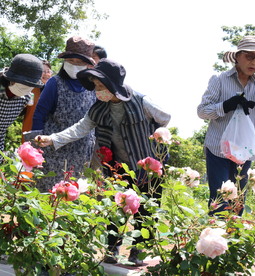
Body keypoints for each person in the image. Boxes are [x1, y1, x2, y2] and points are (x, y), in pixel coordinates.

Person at [36, 59, 171, 265]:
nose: (98, 91)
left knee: (146, 210)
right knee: (115, 207)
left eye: (101, 86)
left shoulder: (142, 101)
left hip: (148, 166)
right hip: (118, 166)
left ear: (113, 86)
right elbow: (79, 129)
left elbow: (165, 117)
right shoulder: (98, 109)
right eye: (96, 86)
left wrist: (156, 135)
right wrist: (53, 139)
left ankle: (138, 252)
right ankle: (112, 249)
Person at [197, 35, 255, 216]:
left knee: (238, 202)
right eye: (249, 56)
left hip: (245, 151)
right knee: (219, 199)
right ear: (237, 57)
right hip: (218, 148)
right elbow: (202, 111)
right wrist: (225, 106)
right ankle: (214, 241)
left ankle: (232, 242)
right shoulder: (219, 80)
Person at [30, 36, 97, 191]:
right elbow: (39, 114)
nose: (74, 65)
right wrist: (36, 145)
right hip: (53, 149)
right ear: (64, 61)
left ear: (87, 65)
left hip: (82, 151)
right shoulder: (55, 83)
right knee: (49, 193)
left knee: (75, 193)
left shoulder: (93, 86)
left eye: (79, 63)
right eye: (71, 61)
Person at [21, 60, 52, 142]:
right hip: (30, 130)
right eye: (43, 71)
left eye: (48, 71)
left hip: (50, 133)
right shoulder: (30, 89)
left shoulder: (55, 89)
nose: (46, 74)